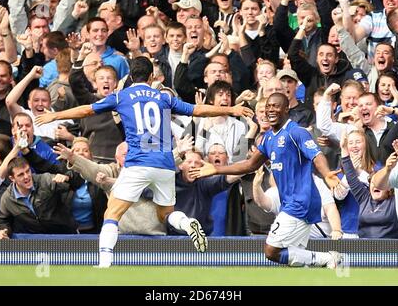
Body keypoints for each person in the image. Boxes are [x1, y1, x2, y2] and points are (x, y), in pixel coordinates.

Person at [35, 56, 253, 268]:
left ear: (130, 76)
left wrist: (55, 116)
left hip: (138, 163)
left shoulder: (122, 96)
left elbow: (87, 109)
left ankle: (104, 262)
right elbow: (197, 109)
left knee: (112, 213)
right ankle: (187, 223)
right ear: (151, 77)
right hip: (166, 164)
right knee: (166, 213)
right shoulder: (163, 97)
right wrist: (231, 109)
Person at [189, 92, 344, 268]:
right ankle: (328, 263)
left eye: (275, 106)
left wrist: (326, 174)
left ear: (286, 109)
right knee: (293, 258)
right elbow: (249, 165)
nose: (271, 110)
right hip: (292, 202)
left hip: (301, 201)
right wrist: (216, 169)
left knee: (271, 251)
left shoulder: (297, 132)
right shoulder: (269, 138)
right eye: (268, 107)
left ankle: (327, 258)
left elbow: (316, 156)